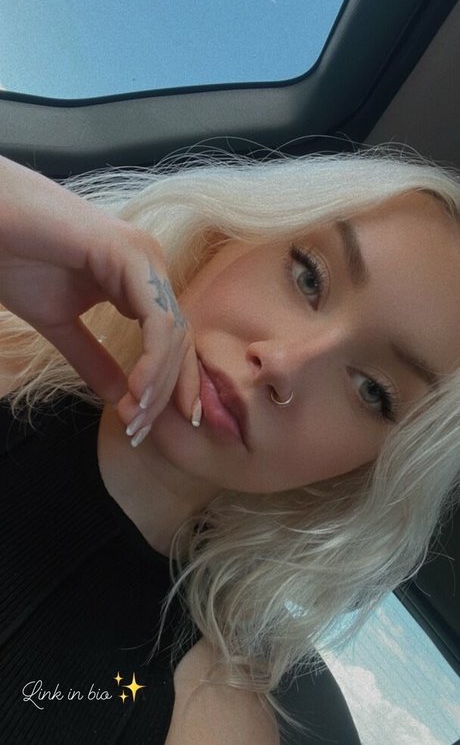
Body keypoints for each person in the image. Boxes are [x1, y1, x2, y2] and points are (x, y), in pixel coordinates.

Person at [0, 148, 459, 744]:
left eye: (373, 390)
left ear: (366, 469)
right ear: (226, 237)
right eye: (308, 277)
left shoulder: (211, 720)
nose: (285, 363)